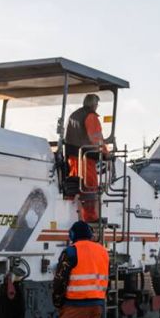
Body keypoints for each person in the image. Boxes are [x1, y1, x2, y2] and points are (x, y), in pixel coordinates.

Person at [65, 94, 109, 222]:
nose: (97, 107)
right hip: (86, 158)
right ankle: (90, 217)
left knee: (75, 185)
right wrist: (106, 153)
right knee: (90, 186)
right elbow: (96, 138)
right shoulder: (91, 116)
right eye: (97, 104)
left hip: (73, 158)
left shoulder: (74, 115)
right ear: (93, 104)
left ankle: (72, 214)